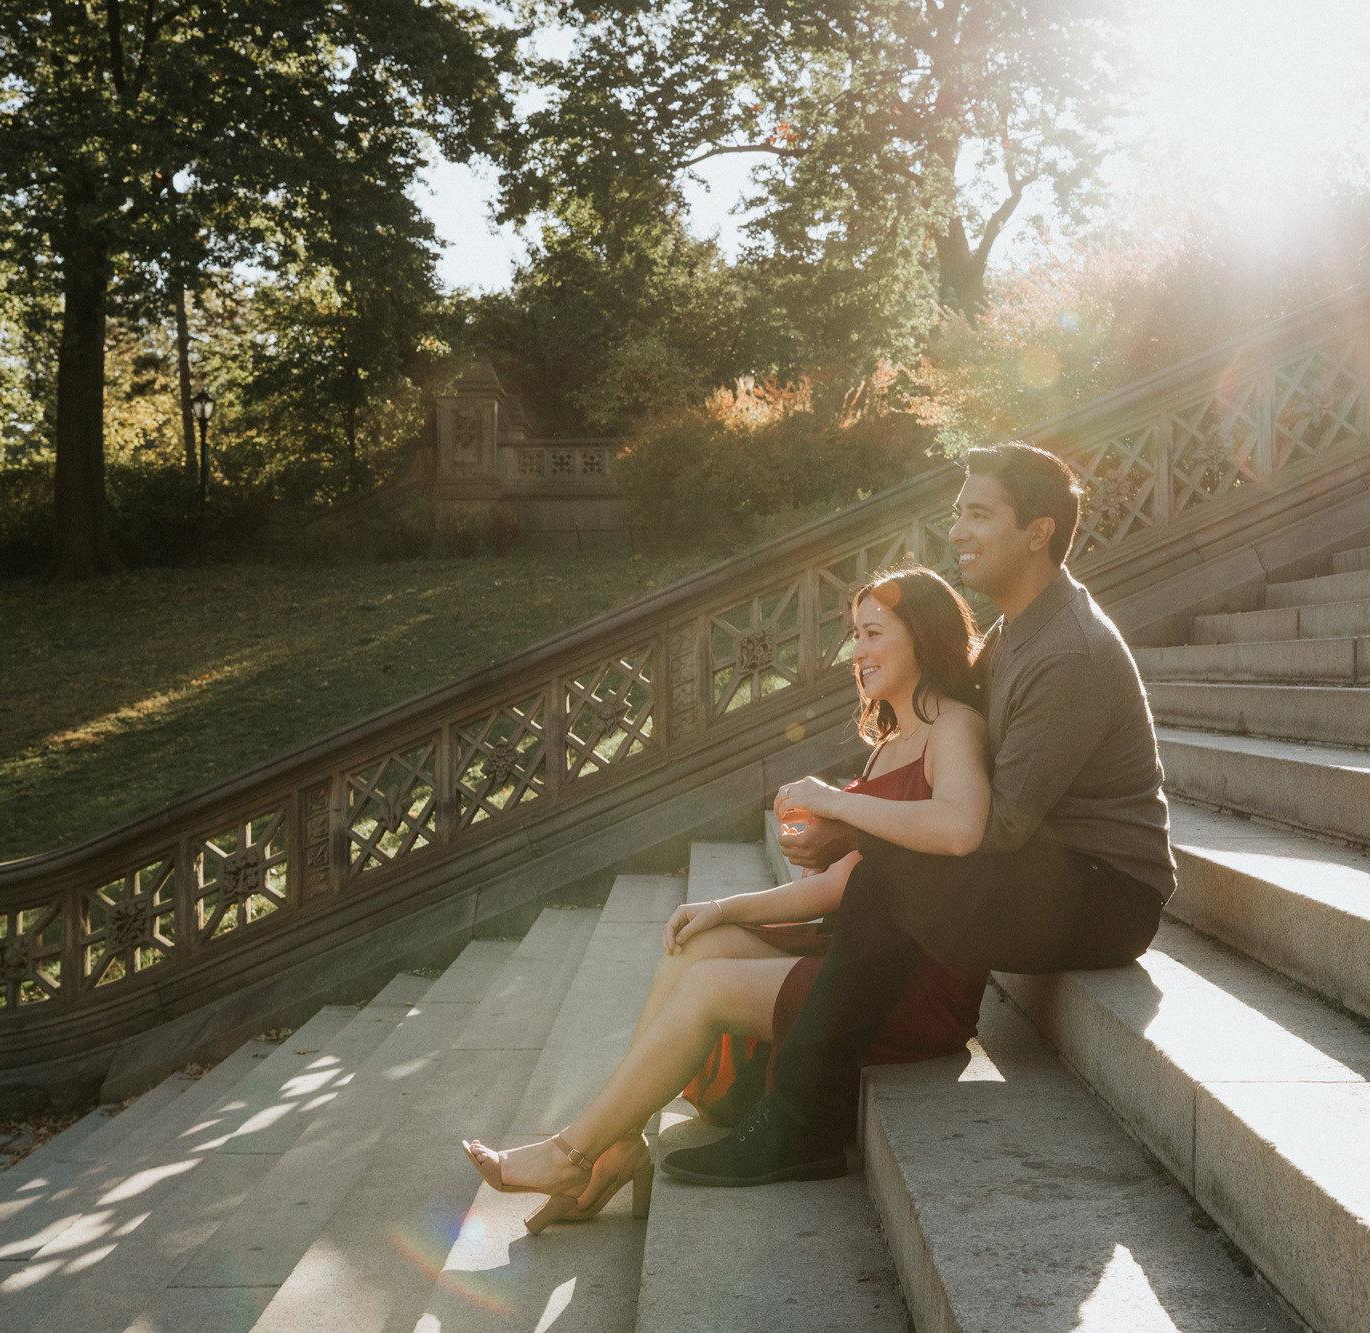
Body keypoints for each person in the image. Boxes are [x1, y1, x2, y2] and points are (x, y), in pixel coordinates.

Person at [660, 441, 1173, 1188]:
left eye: (978, 513)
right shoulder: (1015, 629)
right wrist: (857, 820)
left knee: (889, 879)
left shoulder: (1068, 648)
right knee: (882, 875)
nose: (957, 530)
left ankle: (799, 1118)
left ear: (1038, 531)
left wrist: (854, 814)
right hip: (1054, 869)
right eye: (957, 513)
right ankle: (780, 1091)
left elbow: (993, 828)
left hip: (1107, 893)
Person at [462, 566, 992, 1231]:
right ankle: (620, 1142)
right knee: (698, 946)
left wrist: (831, 799)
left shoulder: (955, 727)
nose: (856, 650)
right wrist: (723, 908)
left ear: (923, 634)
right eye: (852, 634)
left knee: (706, 987)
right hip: (864, 949)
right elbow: (840, 885)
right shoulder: (888, 743)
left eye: (873, 632)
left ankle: (573, 1150)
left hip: (911, 982)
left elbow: (961, 826)